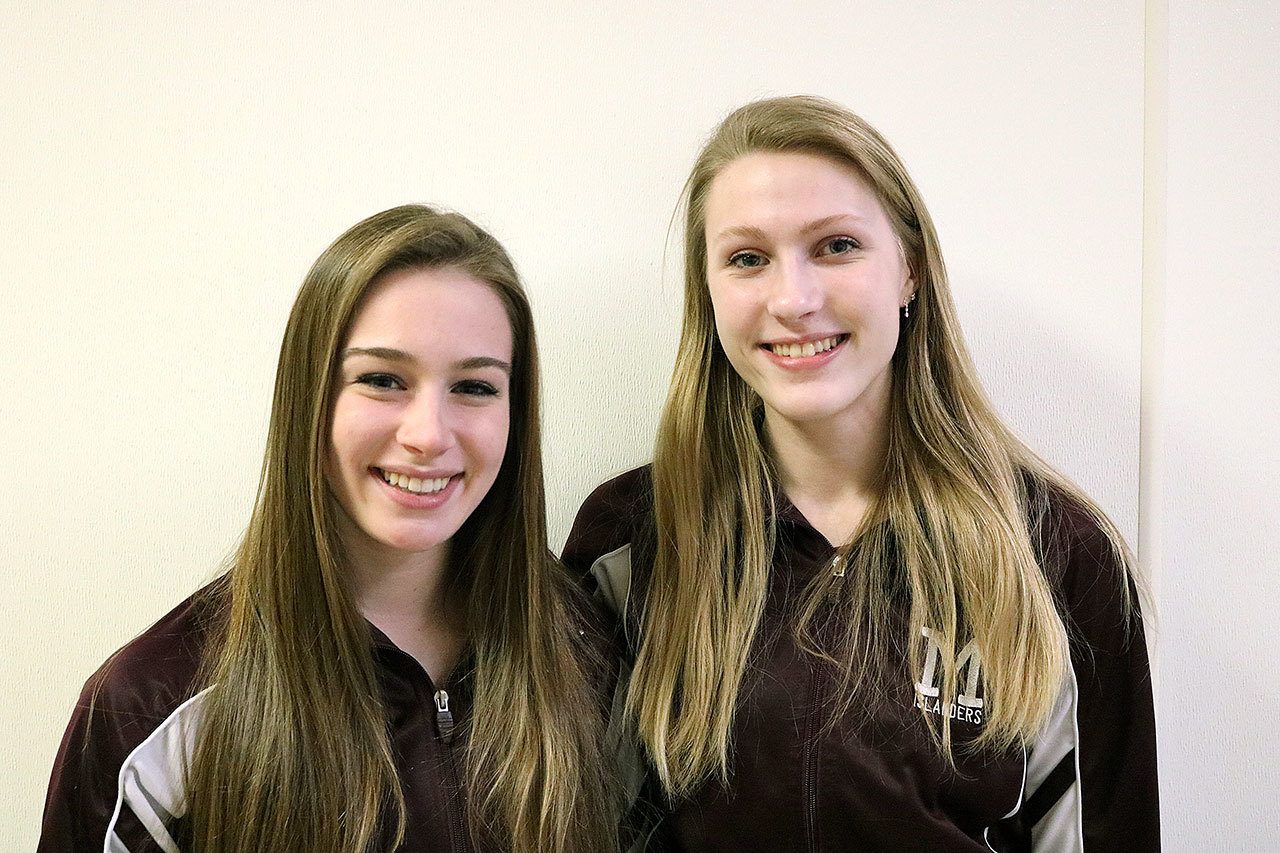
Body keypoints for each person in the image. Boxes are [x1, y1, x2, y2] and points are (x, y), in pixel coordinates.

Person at [562, 96, 1159, 851]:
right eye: (748, 258)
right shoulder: (629, 541)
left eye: (837, 246)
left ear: (909, 269)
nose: (794, 299)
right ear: (708, 291)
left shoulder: (1056, 557)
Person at [41, 204, 620, 853]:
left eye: (475, 386)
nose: (428, 433)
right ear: (309, 397)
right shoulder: (151, 702)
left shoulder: (583, 641)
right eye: (381, 379)